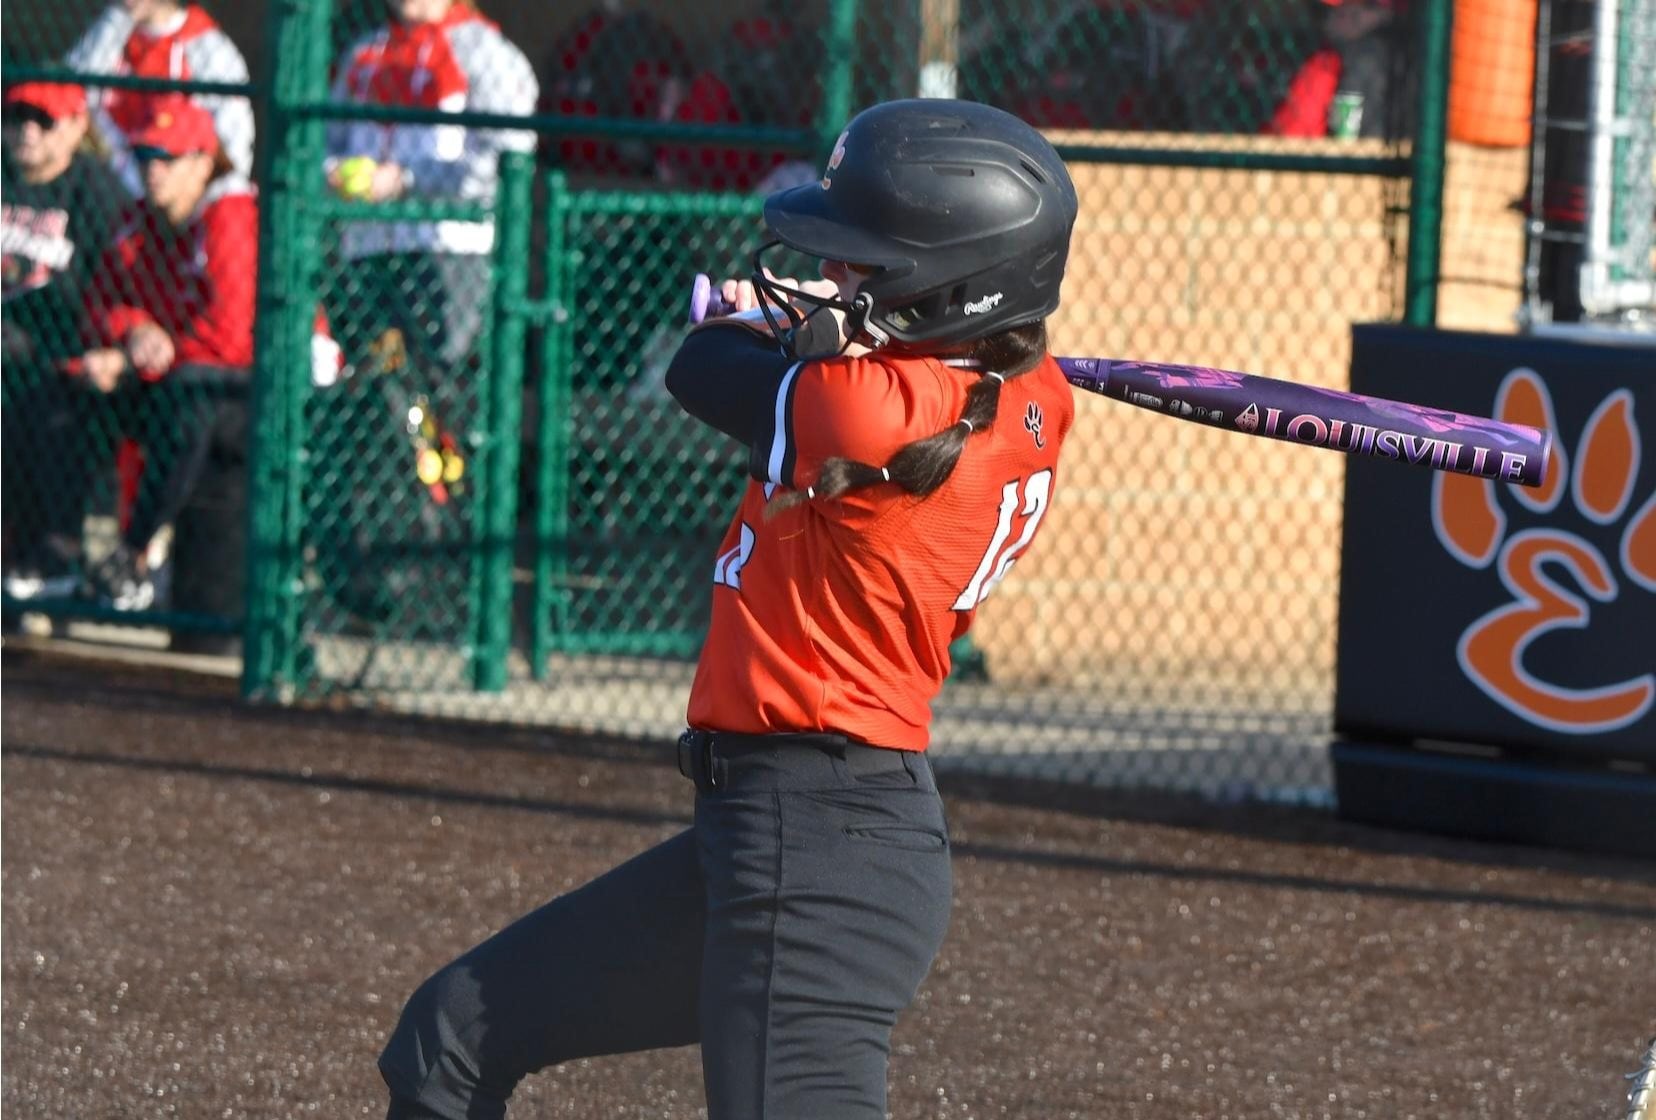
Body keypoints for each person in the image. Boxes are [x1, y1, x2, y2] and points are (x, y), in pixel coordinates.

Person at [376, 98, 1079, 1120]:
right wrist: (844, 321)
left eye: (862, 264)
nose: (831, 270)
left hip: (820, 842)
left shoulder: (867, 409)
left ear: (947, 290)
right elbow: (945, 375)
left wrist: (773, 323)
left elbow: (701, 366)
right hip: (780, 829)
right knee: (449, 1041)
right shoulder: (1034, 399)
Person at [55, 97, 258, 636]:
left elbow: (231, 339)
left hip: (253, 392)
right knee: (72, 387)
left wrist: (132, 362)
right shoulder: (139, 217)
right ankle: (55, 560)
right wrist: (131, 330)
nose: (154, 169)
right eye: (146, 156)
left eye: (168, 158)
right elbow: (100, 302)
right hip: (174, 379)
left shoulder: (229, 215)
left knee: (191, 400)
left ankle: (134, 552)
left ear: (204, 162)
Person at [325, 0, 537, 381]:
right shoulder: (366, 51)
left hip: (447, 250)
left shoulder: (484, 50)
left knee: (437, 382)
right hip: (365, 244)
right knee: (373, 383)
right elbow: (325, 141)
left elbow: (505, 162)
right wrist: (333, 173)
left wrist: (407, 178)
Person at [2, 81, 127, 604]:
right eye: (17, 118)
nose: (27, 132)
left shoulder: (96, 191)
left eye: (44, 120)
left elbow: (115, 289)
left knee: (46, 398)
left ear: (77, 126)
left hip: (64, 355)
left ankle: (53, 554)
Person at [63, 0, 254, 195]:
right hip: (115, 192)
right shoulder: (111, 30)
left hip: (187, 198)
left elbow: (234, 139)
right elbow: (71, 95)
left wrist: (218, 196)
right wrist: (116, 20)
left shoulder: (206, 44)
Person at [1266, 0, 1412, 140]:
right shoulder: (1327, 56)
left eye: (1366, 7)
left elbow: (1345, 131)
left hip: (1363, 150)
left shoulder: (1369, 56)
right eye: (1337, 11)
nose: (1343, 14)